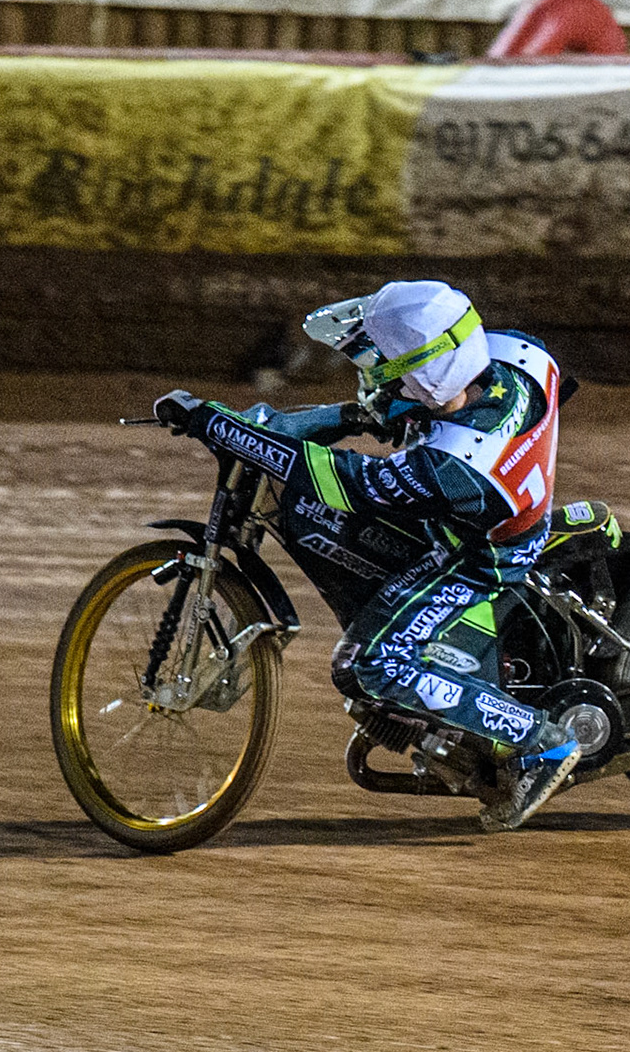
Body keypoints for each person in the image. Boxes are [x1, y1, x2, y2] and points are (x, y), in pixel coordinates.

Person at [152, 279, 582, 831]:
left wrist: (221, 426)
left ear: (433, 368)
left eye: (395, 364)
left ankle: (539, 741)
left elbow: (346, 481)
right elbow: (383, 412)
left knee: (369, 664)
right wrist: (356, 414)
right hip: (496, 498)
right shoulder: (510, 353)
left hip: (480, 555)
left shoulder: (457, 465)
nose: (384, 372)